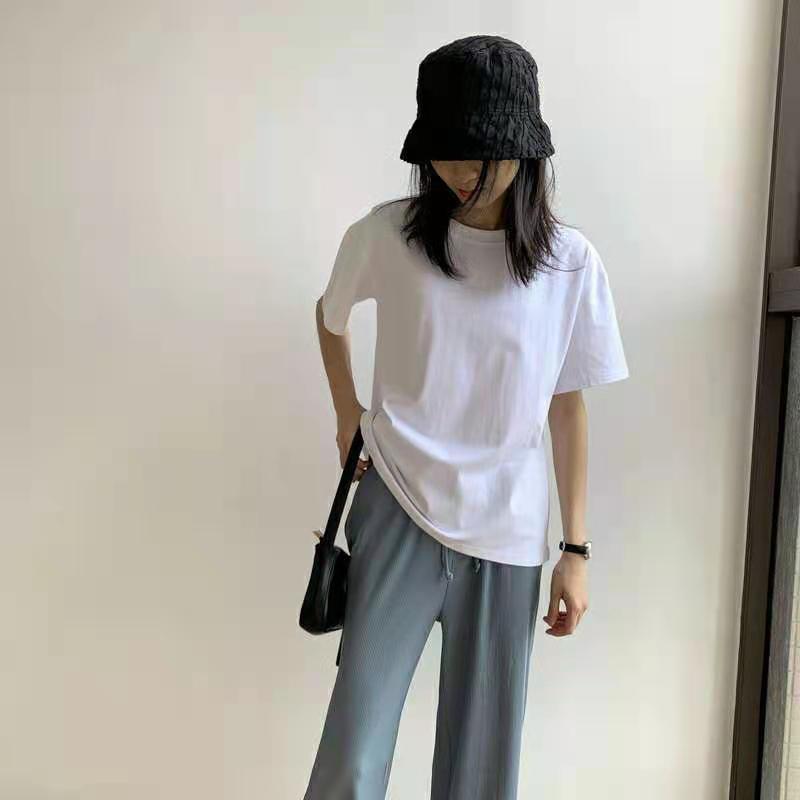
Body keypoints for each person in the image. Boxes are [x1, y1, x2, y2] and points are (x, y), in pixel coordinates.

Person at [305, 34, 630, 800]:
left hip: (508, 533)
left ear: (524, 149)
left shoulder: (570, 264)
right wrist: (347, 413)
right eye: (445, 152)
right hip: (397, 507)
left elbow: (567, 407)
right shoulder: (386, 235)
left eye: (478, 153)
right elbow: (330, 314)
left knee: (481, 773)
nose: (458, 172)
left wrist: (576, 549)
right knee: (355, 750)